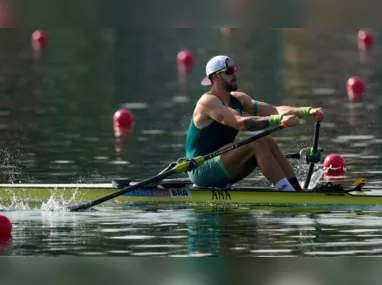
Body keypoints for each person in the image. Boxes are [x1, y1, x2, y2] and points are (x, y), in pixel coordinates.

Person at [185, 55, 324, 191]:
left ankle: (294, 189)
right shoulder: (208, 102)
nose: (234, 74)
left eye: (234, 70)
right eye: (229, 71)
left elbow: (274, 110)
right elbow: (240, 123)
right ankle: (286, 191)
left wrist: (307, 111)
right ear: (216, 77)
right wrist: (279, 120)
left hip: (223, 162)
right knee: (255, 142)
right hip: (201, 169)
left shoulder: (239, 99)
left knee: (267, 140)